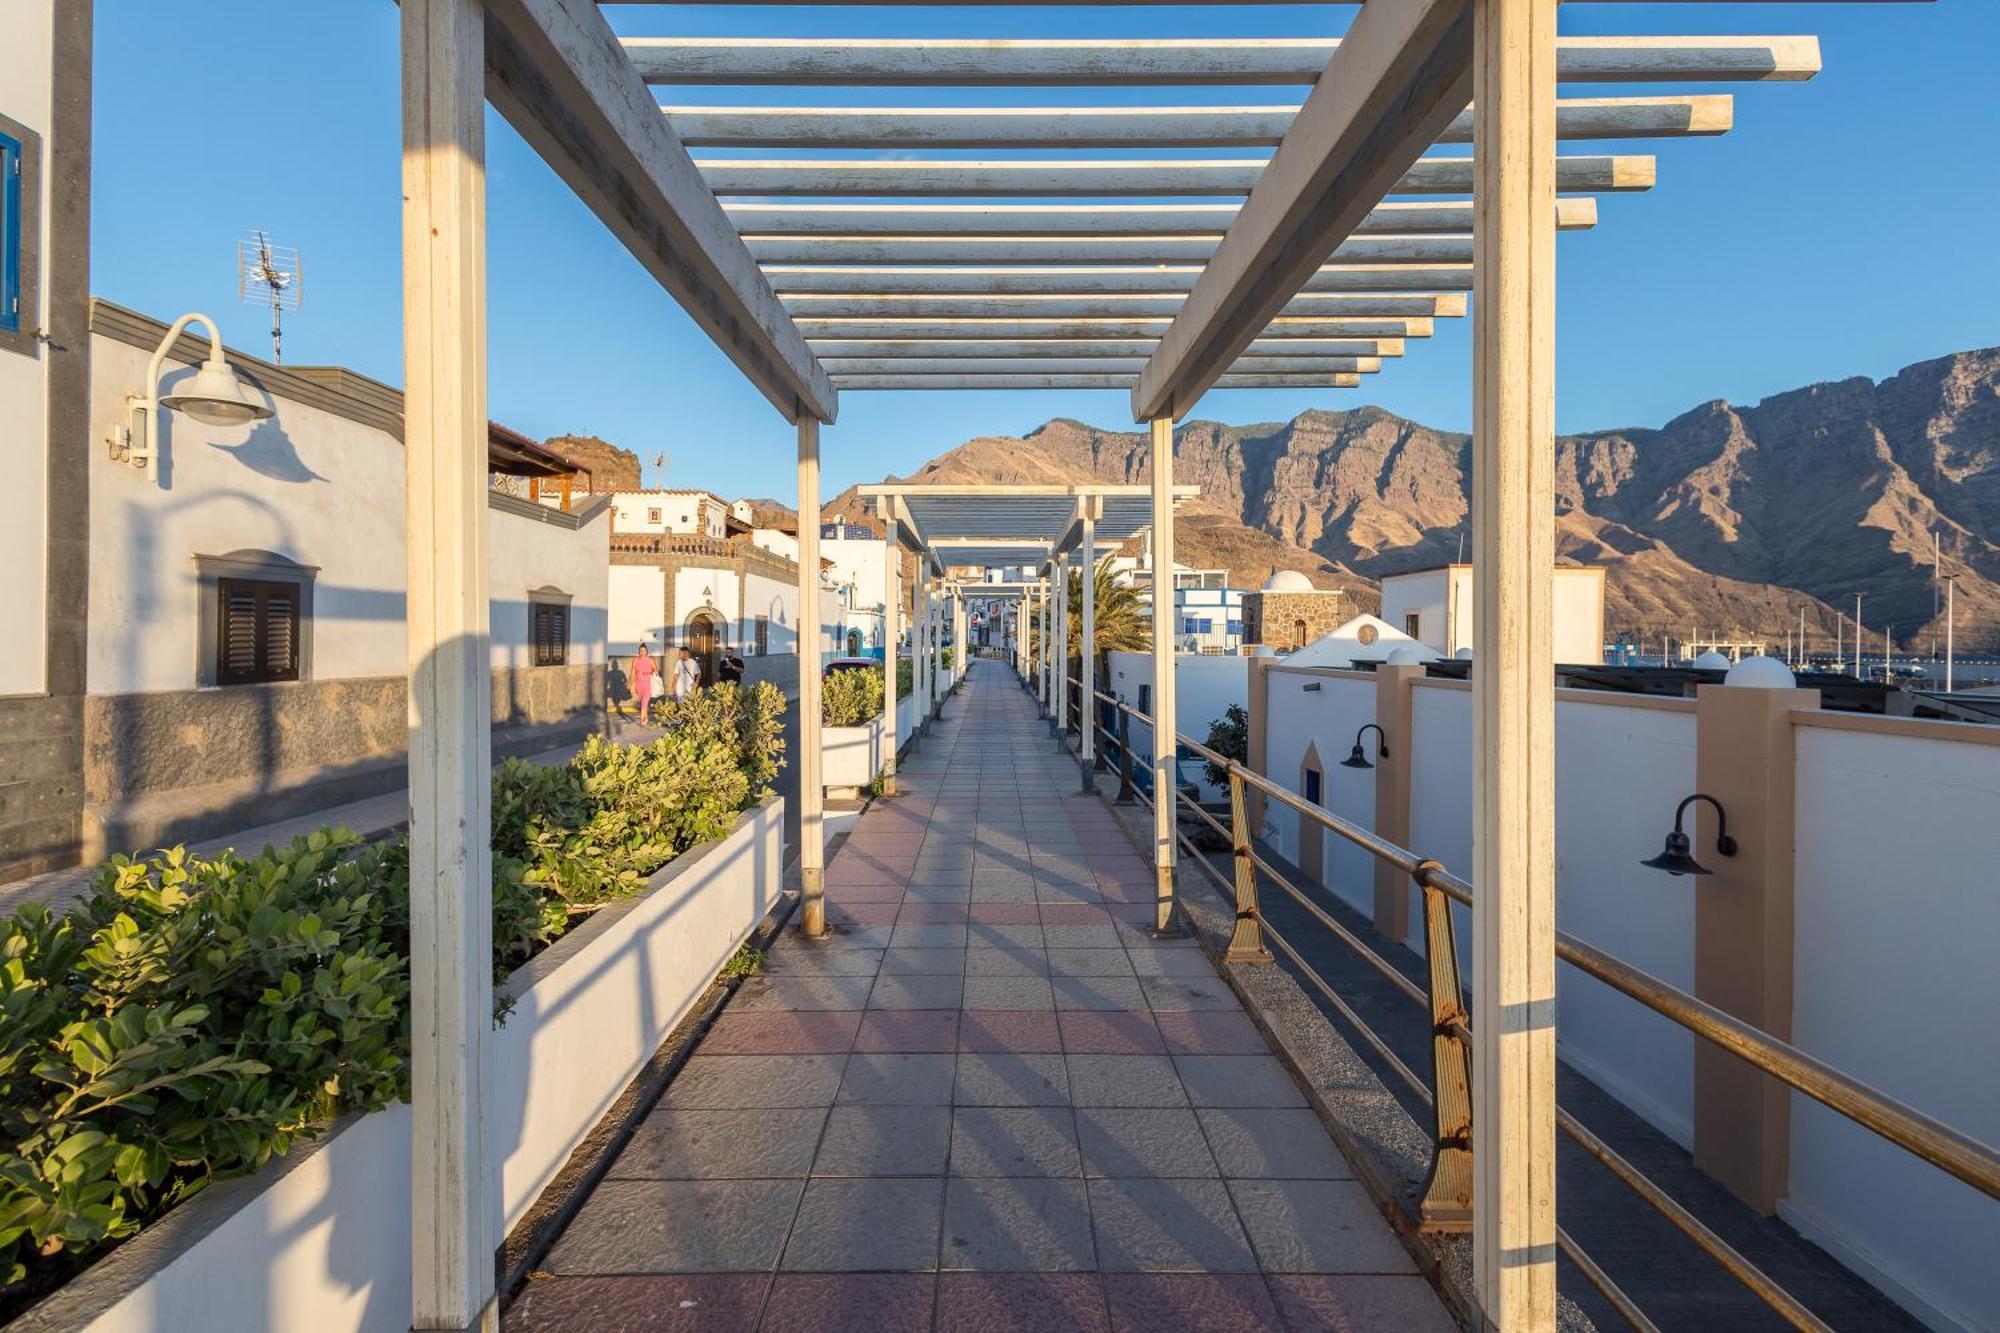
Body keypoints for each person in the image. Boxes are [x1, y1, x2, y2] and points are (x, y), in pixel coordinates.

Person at [631, 641, 656, 722]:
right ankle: (646, 718)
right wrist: (632, 684)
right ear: (639, 651)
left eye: (644, 651)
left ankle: (642, 720)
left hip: (648, 684)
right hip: (639, 684)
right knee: (643, 703)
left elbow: (655, 671)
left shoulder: (650, 660)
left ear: (647, 652)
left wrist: (646, 673)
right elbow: (633, 672)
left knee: (644, 702)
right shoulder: (635, 660)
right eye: (641, 651)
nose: (642, 652)